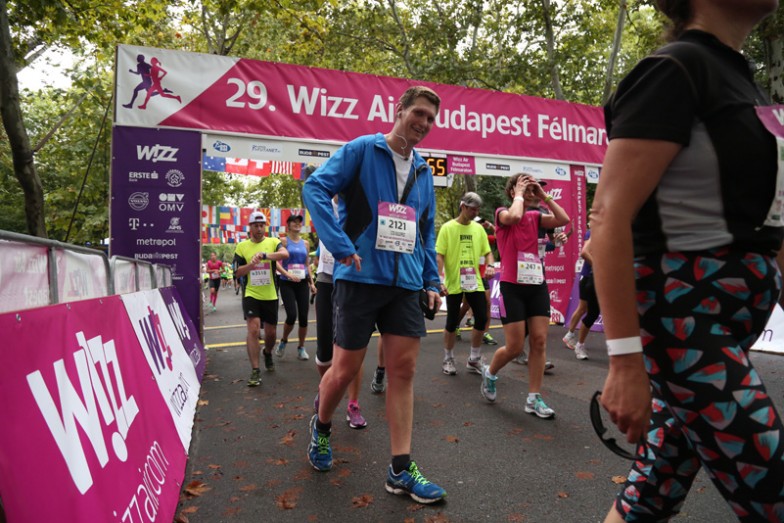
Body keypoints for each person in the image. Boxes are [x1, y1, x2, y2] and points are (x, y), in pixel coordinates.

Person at [591, 1, 784, 521]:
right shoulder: (673, 68)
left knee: (649, 494)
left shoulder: (745, 82)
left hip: (729, 324)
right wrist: (625, 361)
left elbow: (768, 227)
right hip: (685, 323)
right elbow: (608, 217)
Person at [302, 85, 446, 504]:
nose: (424, 123)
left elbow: (425, 230)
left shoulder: (423, 171)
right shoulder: (363, 149)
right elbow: (315, 188)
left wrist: (431, 281)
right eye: (419, 113)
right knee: (345, 370)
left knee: (404, 371)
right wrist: (340, 246)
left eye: (431, 118)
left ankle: (400, 469)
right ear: (399, 110)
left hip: (405, 284)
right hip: (360, 278)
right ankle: (321, 427)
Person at [480, 174, 569, 419]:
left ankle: (533, 398)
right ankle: (490, 373)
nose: (532, 194)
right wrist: (519, 194)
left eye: (533, 190)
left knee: (539, 341)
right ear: (513, 192)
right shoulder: (502, 214)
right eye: (527, 189)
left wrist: (544, 195)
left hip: (537, 285)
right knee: (515, 346)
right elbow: (514, 216)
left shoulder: (536, 216)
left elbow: (563, 219)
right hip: (512, 287)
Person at [312, 199, 367, 429]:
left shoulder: (360, 200)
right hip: (326, 280)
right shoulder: (321, 201)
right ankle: (326, 388)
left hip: (353, 278)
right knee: (324, 354)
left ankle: (353, 404)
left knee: (354, 347)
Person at [436, 191, 495, 376]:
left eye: (477, 210)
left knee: (481, 317)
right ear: (463, 206)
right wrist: (439, 279)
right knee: (452, 321)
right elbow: (439, 255)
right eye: (472, 209)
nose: (475, 213)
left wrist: (491, 265)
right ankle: (448, 359)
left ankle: (474, 358)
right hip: (454, 281)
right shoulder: (447, 228)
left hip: (474, 280)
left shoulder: (478, 229)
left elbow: (488, 252)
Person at [233, 212, 289, 387]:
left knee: (271, 334)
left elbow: (285, 254)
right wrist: (251, 264)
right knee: (254, 330)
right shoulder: (241, 247)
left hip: (270, 294)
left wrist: (265, 256)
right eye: (255, 225)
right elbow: (237, 272)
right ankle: (255, 370)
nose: (259, 228)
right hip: (251, 294)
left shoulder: (272, 242)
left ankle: (267, 352)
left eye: (262, 225)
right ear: (250, 227)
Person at [276, 214, 316, 361]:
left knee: (304, 317)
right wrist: (287, 274)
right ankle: (283, 341)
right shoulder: (283, 241)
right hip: (287, 282)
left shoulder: (305, 243)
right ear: (288, 225)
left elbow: (307, 264)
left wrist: (312, 283)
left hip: (302, 282)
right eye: (294, 222)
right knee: (292, 315)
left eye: (299, 222)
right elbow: (276, 262)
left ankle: (301, 347)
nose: (297, 224)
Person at [456, 216, 499, 346]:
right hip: (468, 273)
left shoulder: (484, 237)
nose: (480, 225)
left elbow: (498, 237)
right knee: (466, 305)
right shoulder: (465, 236)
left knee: (488, 304)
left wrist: (490, 225)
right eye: (478, 223)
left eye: (481, 223)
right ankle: (455, 325)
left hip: (482, 275)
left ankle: (485, 333)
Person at [570, 236, 599, 360]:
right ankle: (579, 344)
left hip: (613, 278)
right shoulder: (596, 233)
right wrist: (599, 266)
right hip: (595, 278)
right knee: (591, 313)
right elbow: (584, 252)